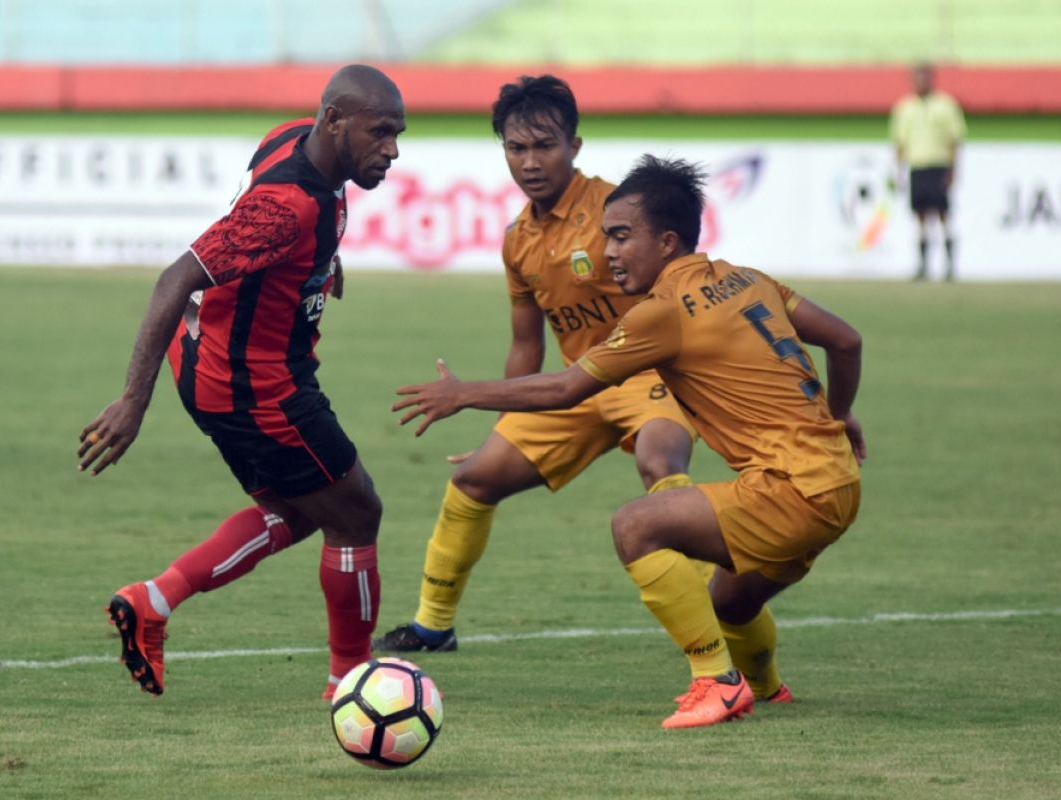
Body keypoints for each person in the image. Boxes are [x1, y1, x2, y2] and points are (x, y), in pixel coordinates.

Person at [393, 156, 866, 729]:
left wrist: (465, 394)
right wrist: (839, 415)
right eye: (606, 237)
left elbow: (568, 387)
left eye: (621, 237)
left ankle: (716, 683)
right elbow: (845, 340)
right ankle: (768, 689)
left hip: (791, 492)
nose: (609, 252)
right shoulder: (750, 278)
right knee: (728, 604)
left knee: (635, 526)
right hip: (838, 480)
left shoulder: (660, 313)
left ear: (667, 241)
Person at [77, 65, 406, 700]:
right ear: (334, 121)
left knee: (300, 509)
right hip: (259, 388)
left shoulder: (289, 139)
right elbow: (177, 277)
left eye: (397, 133)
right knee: (357, 512)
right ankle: (353, 683)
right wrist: (132, 401)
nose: (392, 149)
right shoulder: (287, 207)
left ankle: (154, 600)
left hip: (214, 369)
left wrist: (320, 264)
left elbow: (265, 232)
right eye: (381, 132)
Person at [372, 75, 695, 655]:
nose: (529, 161)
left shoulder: (616, 209)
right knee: (473, 481)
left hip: (647, 374)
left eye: (544, 145)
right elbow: (527, 347)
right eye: (516, 148)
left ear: (575, 144)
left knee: (660, 463)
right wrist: (503, 428)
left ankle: (715, 629)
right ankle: (432, 626)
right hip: (573, 386)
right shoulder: (517, 239)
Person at [889, 62, 966, 281]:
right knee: (920, 216)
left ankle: (949, 266)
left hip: (939, 165)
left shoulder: (945, 105)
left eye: (924, 77)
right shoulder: (905, 108)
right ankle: (922, 266)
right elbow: (900, 143)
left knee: (943, 215)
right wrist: (898, 171)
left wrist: (953, 169)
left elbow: (955, 140)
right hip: (917, 166)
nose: (920, 82)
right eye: (916, 77)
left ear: (932, 78)